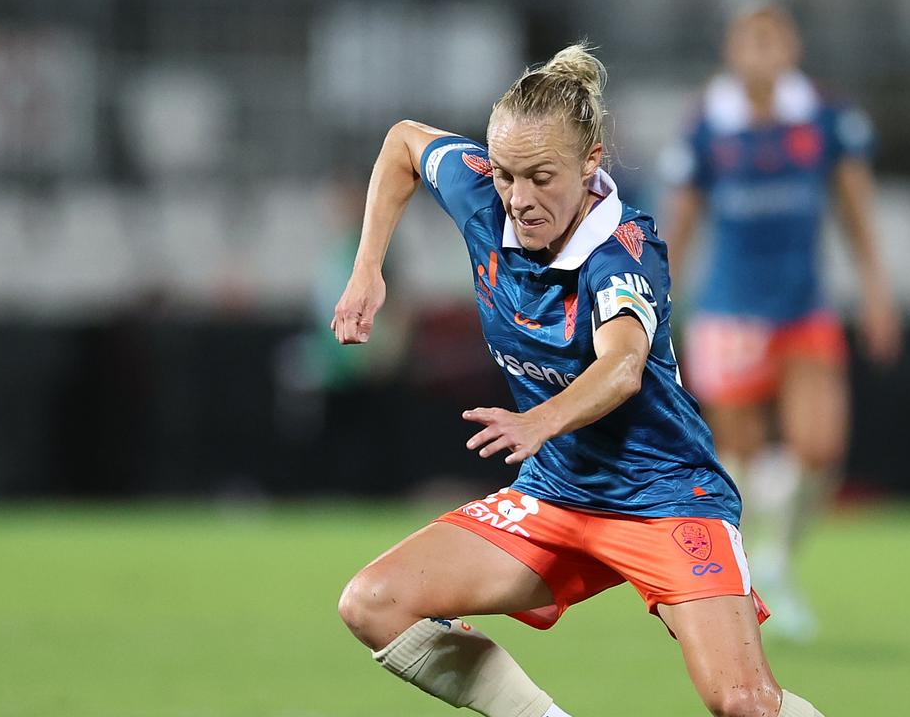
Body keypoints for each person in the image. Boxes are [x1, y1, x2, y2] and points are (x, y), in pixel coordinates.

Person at [332, 44, 828, 717]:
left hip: (666, 493)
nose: (518, 199)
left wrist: (539, 422)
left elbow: (622, 368)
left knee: (742, 703)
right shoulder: (483, 192)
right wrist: (369, 268)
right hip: (558, 497)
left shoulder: (622, 249)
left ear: (591, 162)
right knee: (373, 603)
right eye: (506, 175)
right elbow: (403, 145)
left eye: (541, 177)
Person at [661, 5, 900, 641]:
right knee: (737, 460)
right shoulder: (706, 125)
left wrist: (877, 292)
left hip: (803, 307)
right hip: (729, 313)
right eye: (751, 38)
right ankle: (738, 583)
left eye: (774, 37)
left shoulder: (826, 118)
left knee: (819, 449)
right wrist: (659, 305)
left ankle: (776, 560)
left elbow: (856, 213)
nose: (763, 50)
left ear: (792, 46)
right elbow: (681, 223)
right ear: (731, 49)